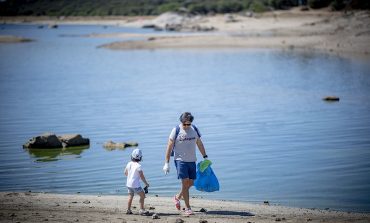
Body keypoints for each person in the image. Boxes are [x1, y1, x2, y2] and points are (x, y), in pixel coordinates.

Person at [163, 112, 208, 215]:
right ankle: (188, 208)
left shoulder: (195, 129)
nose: (187, 126)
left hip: (192, 160)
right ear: (181, 122)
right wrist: (166, 162)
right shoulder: (176, 130)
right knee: (185, 182)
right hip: (180, 160)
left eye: (189, 124)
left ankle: (177, 197)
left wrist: (205, 156)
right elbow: (169, 146)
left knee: (191, 183)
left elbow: (199, 143)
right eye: (185, 124)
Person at [124, 148, 150, 215]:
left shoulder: (129, 163)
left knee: (130, 196)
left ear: (132, 156)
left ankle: (128, 210)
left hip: (128, 184)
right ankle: (141, 210)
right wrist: (146, 184)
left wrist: (130, 175)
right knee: (142, 196)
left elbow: (125, 173)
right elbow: (142, 176)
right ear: (140, 158)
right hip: (135, 185)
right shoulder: (139, 166)